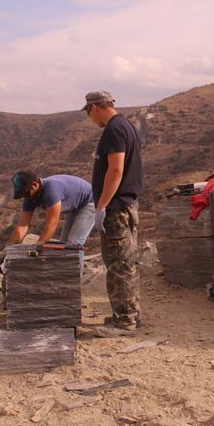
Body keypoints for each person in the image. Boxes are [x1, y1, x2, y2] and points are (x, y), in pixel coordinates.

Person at [83, 90, 144, 337]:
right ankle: (130, 314)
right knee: (126, 263)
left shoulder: (113, 129)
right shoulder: (126, 126)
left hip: (116, 208)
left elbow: (115, 171)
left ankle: (124, 321)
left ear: (94, 107)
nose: (91, 119)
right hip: (126, 205)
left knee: (118, 264)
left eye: (89, 113)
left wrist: (102, 206)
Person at [9, 171, 96, 277]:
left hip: (90, 203)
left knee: (74, 243)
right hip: (74, 207)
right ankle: (65, 277)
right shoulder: (29, 196)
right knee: (64, 244)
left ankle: (74, 280)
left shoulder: (51, 190)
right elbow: (22, 225)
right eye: (23, 195)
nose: (25, 197)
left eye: (26, 193)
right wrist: (8, 248)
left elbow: (52, 224)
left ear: (35, 184)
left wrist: (39, 245)